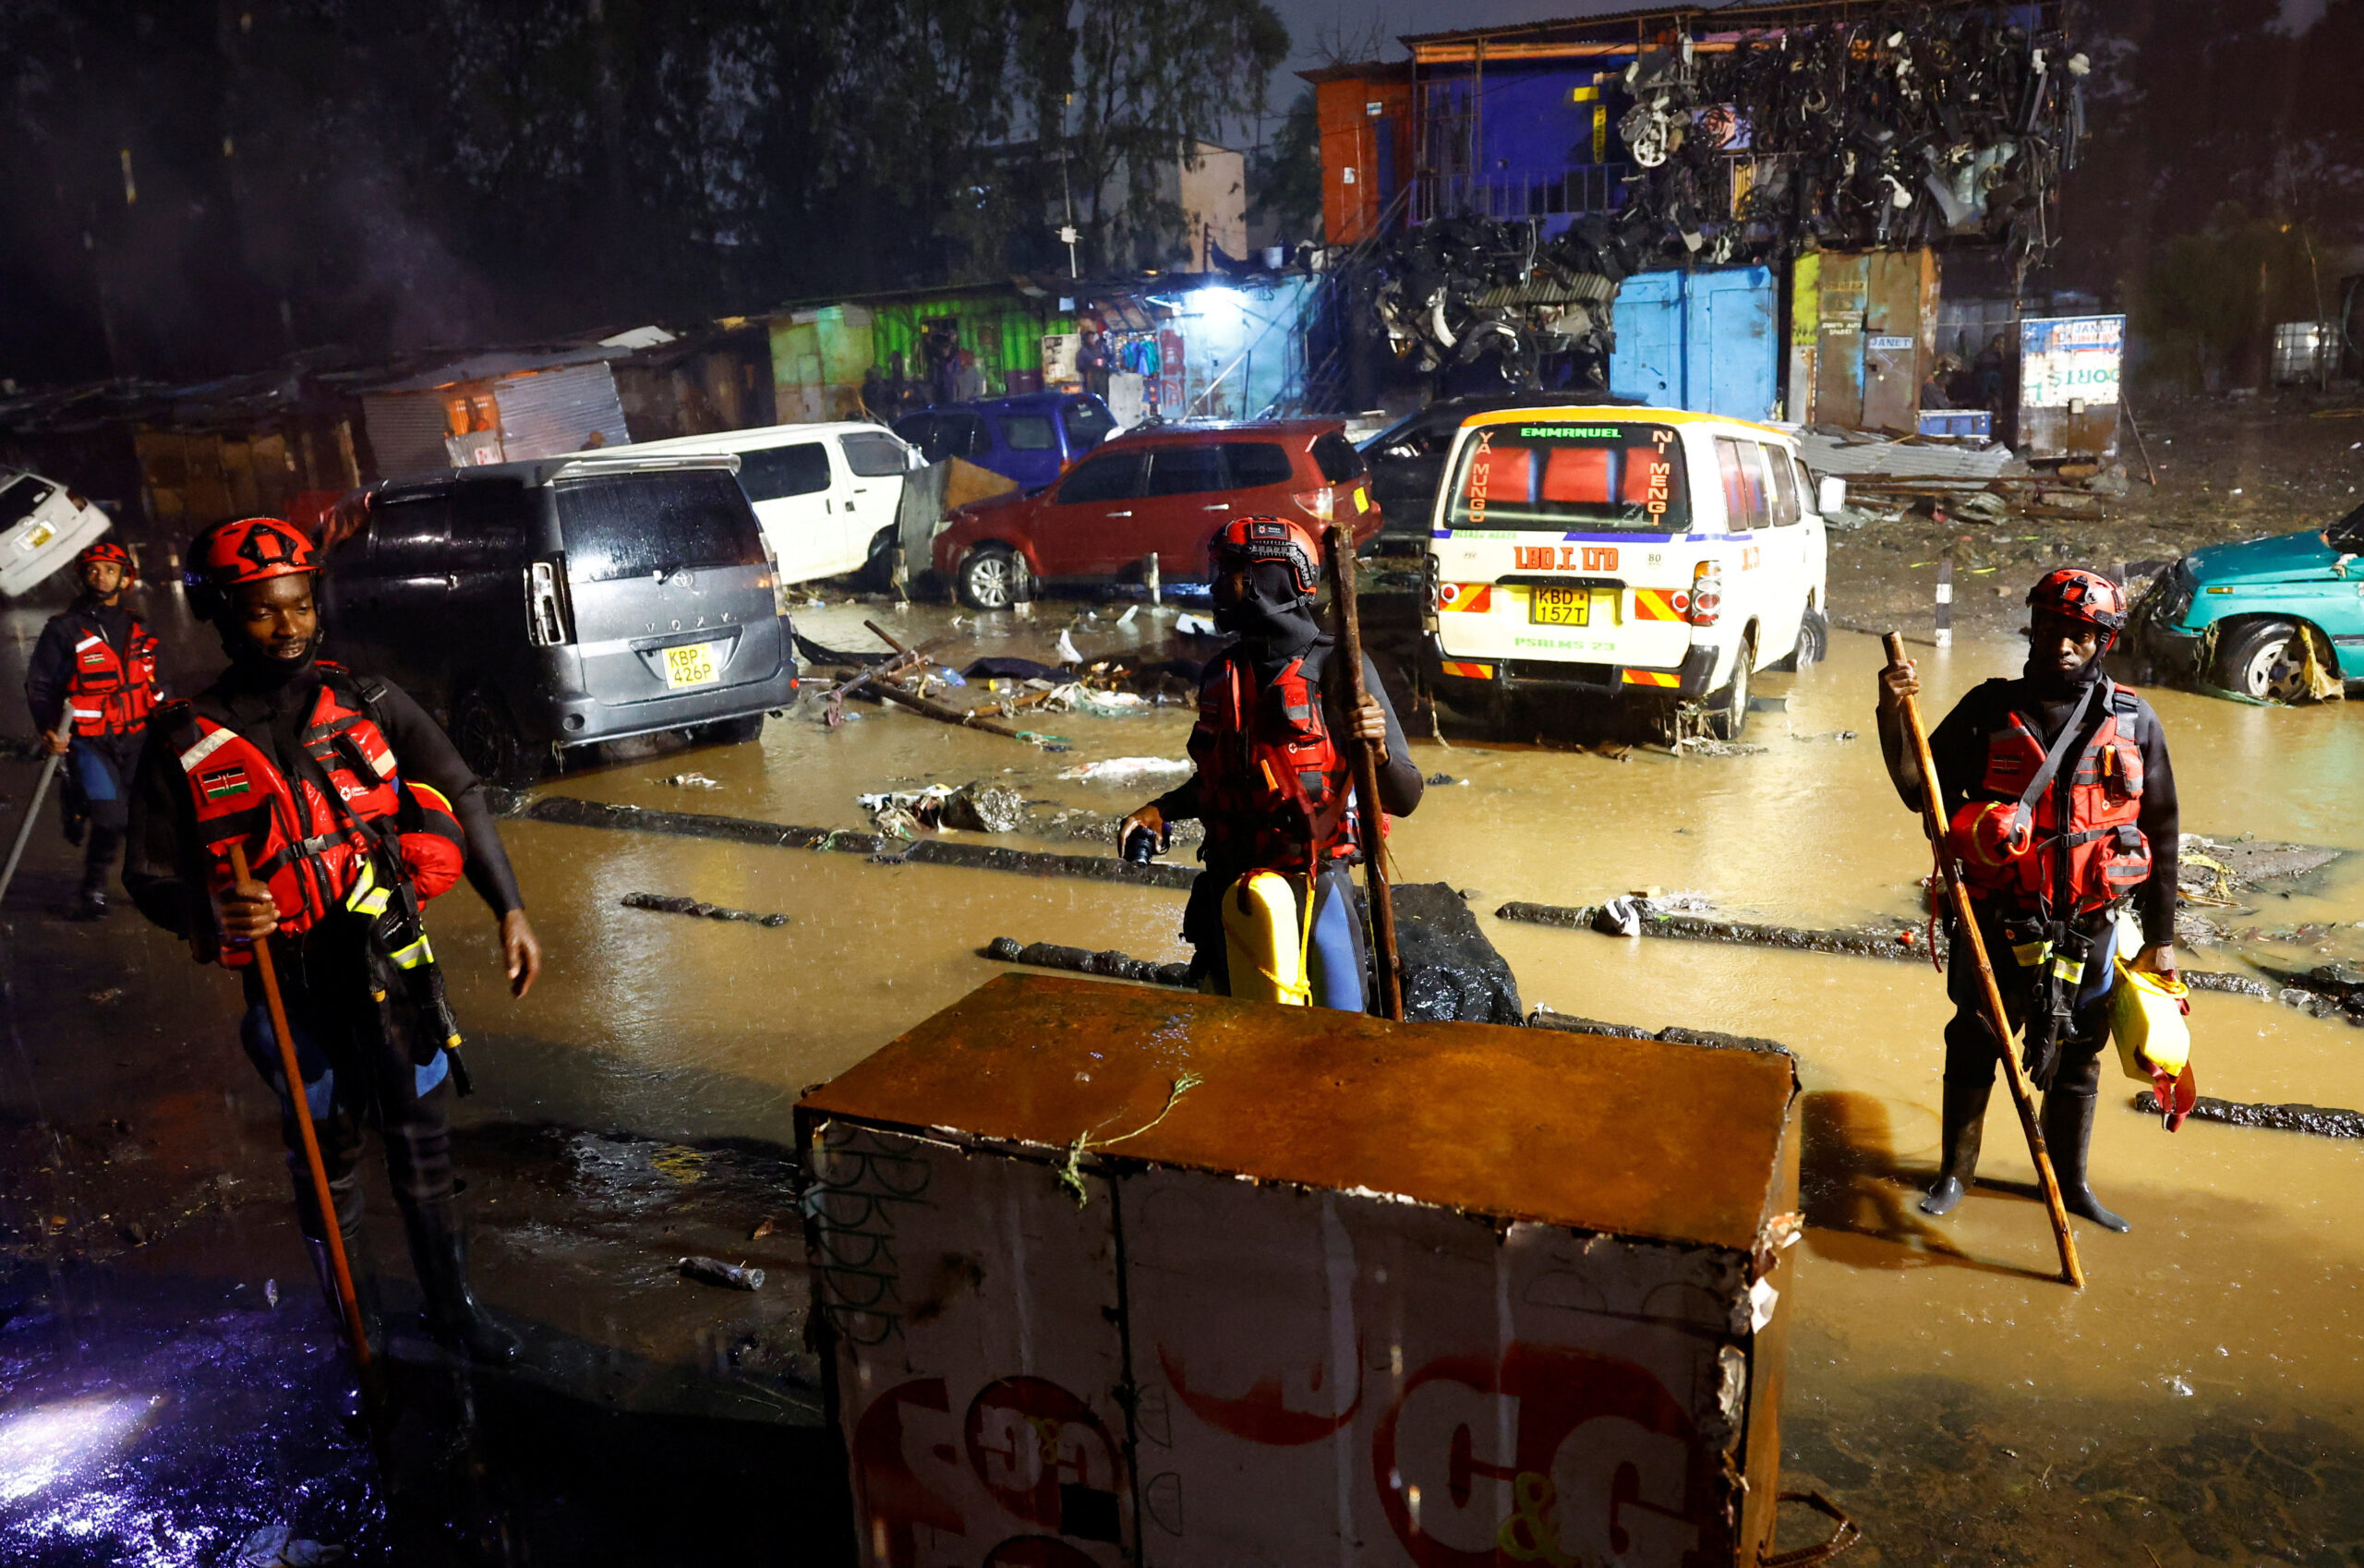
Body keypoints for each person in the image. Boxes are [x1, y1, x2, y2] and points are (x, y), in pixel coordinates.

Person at [124, 516, 543, 1363]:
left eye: (301, 605)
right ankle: (363, 1337)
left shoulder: (372, 701)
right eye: (263, 612)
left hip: (395, 978)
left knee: (423, 1156)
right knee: (329, 1167)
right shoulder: (182, 741)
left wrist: (511, 908)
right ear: (219, 614)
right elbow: (149, 876)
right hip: (291, 996)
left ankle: (454, 1317)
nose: (290, 626)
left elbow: (461, 793)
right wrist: (208, 916)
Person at [1876, 568, 2179, 1233]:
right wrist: (1888, 709)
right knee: (1975, 1036)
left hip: (2090, 925)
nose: (2064, 645)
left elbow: (2161, 829)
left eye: (2081, 633)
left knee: (2080, 1053)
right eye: (2052, 629)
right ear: (2034, 630)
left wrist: (2162, 937)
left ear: (2104, 641)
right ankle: (1956, 1172)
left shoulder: (2135, 720)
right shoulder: (1988, 711)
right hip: (1996, 917)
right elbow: (1917, 791)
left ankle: (2070, 1185)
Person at [1118, 517, 1422, 1011]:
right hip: (1231, 890)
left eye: (1228, 572)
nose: (1214, 585)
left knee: (1338, 1041)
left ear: (1267, 577)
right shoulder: (1223, 672)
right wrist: (1162, 808)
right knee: (1233, 1041)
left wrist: (1379, 751)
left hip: (1314, 888)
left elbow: (1406, 797)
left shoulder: (1338, 667)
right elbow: (1225, 778)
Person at [25, 539, 162, 921]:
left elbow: (155, 683)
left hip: (137, 737)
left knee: (141, 816)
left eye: (109, 569)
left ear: (124, 578)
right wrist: (48, 730)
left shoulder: (138, 627)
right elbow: (40, 686)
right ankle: (94, 886)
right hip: (89, 741)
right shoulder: (64, 629)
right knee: (111, 817)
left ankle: (141, 883)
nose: (100, 576)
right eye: (92, 569)